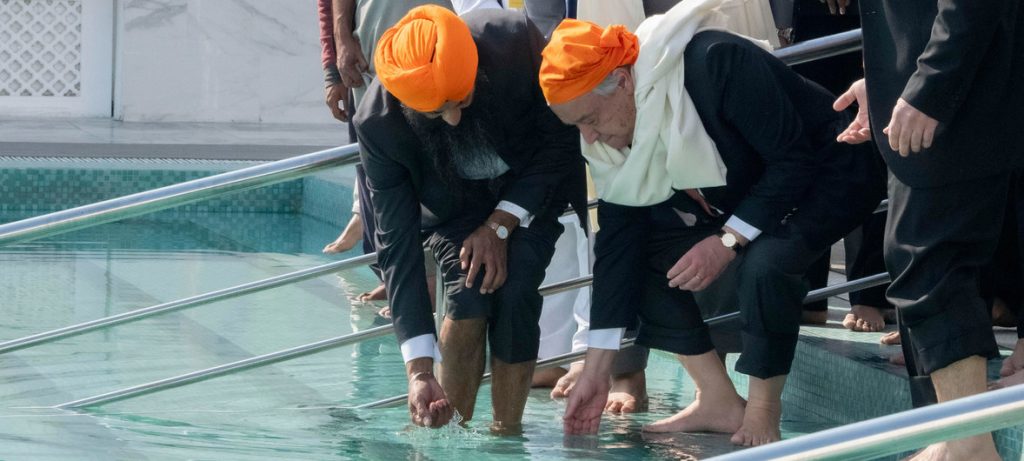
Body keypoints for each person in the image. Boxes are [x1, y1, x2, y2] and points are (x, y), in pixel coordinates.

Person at [539, 0, 882, 445]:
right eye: (576, 128)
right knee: (641, 254)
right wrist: (598, 368)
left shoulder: (716, 61)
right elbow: (618, 244)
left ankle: (762, 411)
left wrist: (728, 240)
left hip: (833, 173)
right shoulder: (612, 125)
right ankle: (717, 398)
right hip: (756, 192)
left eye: (588, 120)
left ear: (622, 82)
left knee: (767, 261)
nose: (589, 138)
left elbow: (793, 163)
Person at [354, 5, 586, 433]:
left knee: (516, 290)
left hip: (528, 191)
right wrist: (419, 371)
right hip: (451, 209)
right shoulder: (378, 125)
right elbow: (397, 246)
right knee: (469, 289)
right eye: (436, 112)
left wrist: (501, 222)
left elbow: (558, 143)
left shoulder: (514, 41)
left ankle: (506, 434)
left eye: (462, 99)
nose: (454, 118)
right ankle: (449, 432)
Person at [834, 0, 1024, 458]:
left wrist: (929, 88)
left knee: (928, 261)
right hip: (944, 91)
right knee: (923, 261)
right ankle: (955, 437)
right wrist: (883, 83)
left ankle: (968, 444)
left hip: (960, 100)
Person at [318, 0, 452, 304]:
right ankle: (401, 279)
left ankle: (427, 283)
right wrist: (335, 60)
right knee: (379, 181)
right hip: (371, 56)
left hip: (439, 49)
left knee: (437, 170)